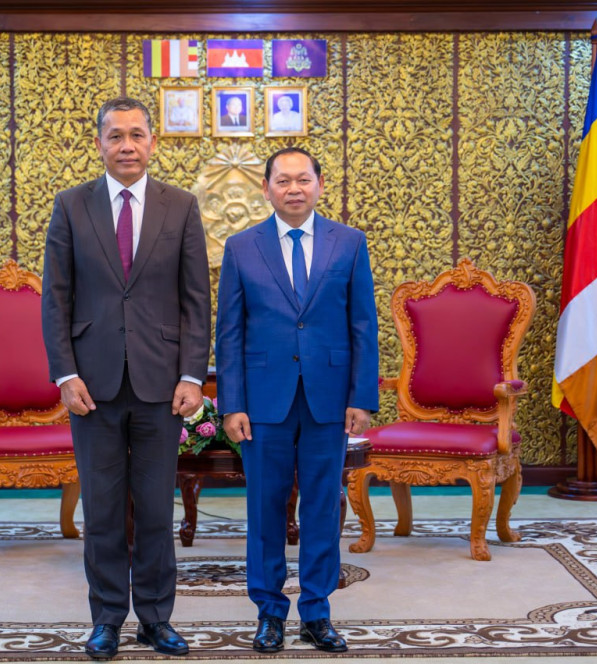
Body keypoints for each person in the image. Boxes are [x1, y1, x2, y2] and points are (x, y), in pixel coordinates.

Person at [41, 97, 211, 660]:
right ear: (99, 144)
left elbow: (195, 301)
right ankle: (107, 619)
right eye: (116, 136)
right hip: (92, 387)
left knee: (157, 509)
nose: (127, 146)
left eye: (137, 134)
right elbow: (56, 298)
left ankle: (157, 619)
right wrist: (65, 374)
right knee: (103, 510)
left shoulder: (180, 206)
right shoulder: (71, 206)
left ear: (153, 142)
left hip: (162, 385)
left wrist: (192, 375)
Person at [215, 147, 379, 654]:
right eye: (282, 180)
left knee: (323, 507)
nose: (293, 188)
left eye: (302, 179)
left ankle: (316, 611)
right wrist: (232, 404)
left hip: (329, 399)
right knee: (264, 508)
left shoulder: (349, 243)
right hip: (263, 402)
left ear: (319, 185)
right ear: (266, 189)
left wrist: (361, 397)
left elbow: (363, 325)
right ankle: (269, 611)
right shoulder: (241, 247)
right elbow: (230, 333)